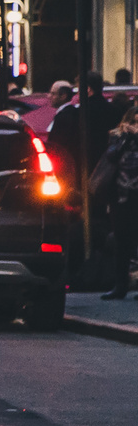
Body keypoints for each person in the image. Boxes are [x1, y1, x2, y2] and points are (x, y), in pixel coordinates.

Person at [95, 105, 138, 299]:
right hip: (121, 195)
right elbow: (111, 155)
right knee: (122, 241)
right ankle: (120, 285)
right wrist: (127, 138)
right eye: (134, 122)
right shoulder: (118, 136)